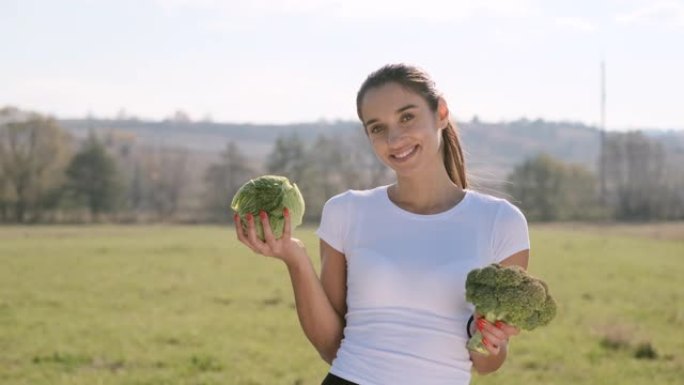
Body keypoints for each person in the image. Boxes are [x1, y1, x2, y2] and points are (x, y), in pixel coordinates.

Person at [233, 63, 530, 385]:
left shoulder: (501, 223)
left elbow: (486, 365)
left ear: (441, 112)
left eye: (407, 117)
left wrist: (490, 339)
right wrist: (295, 258)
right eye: (377, 127)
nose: (394, 138)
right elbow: (331, 345)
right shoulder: (347, 211)